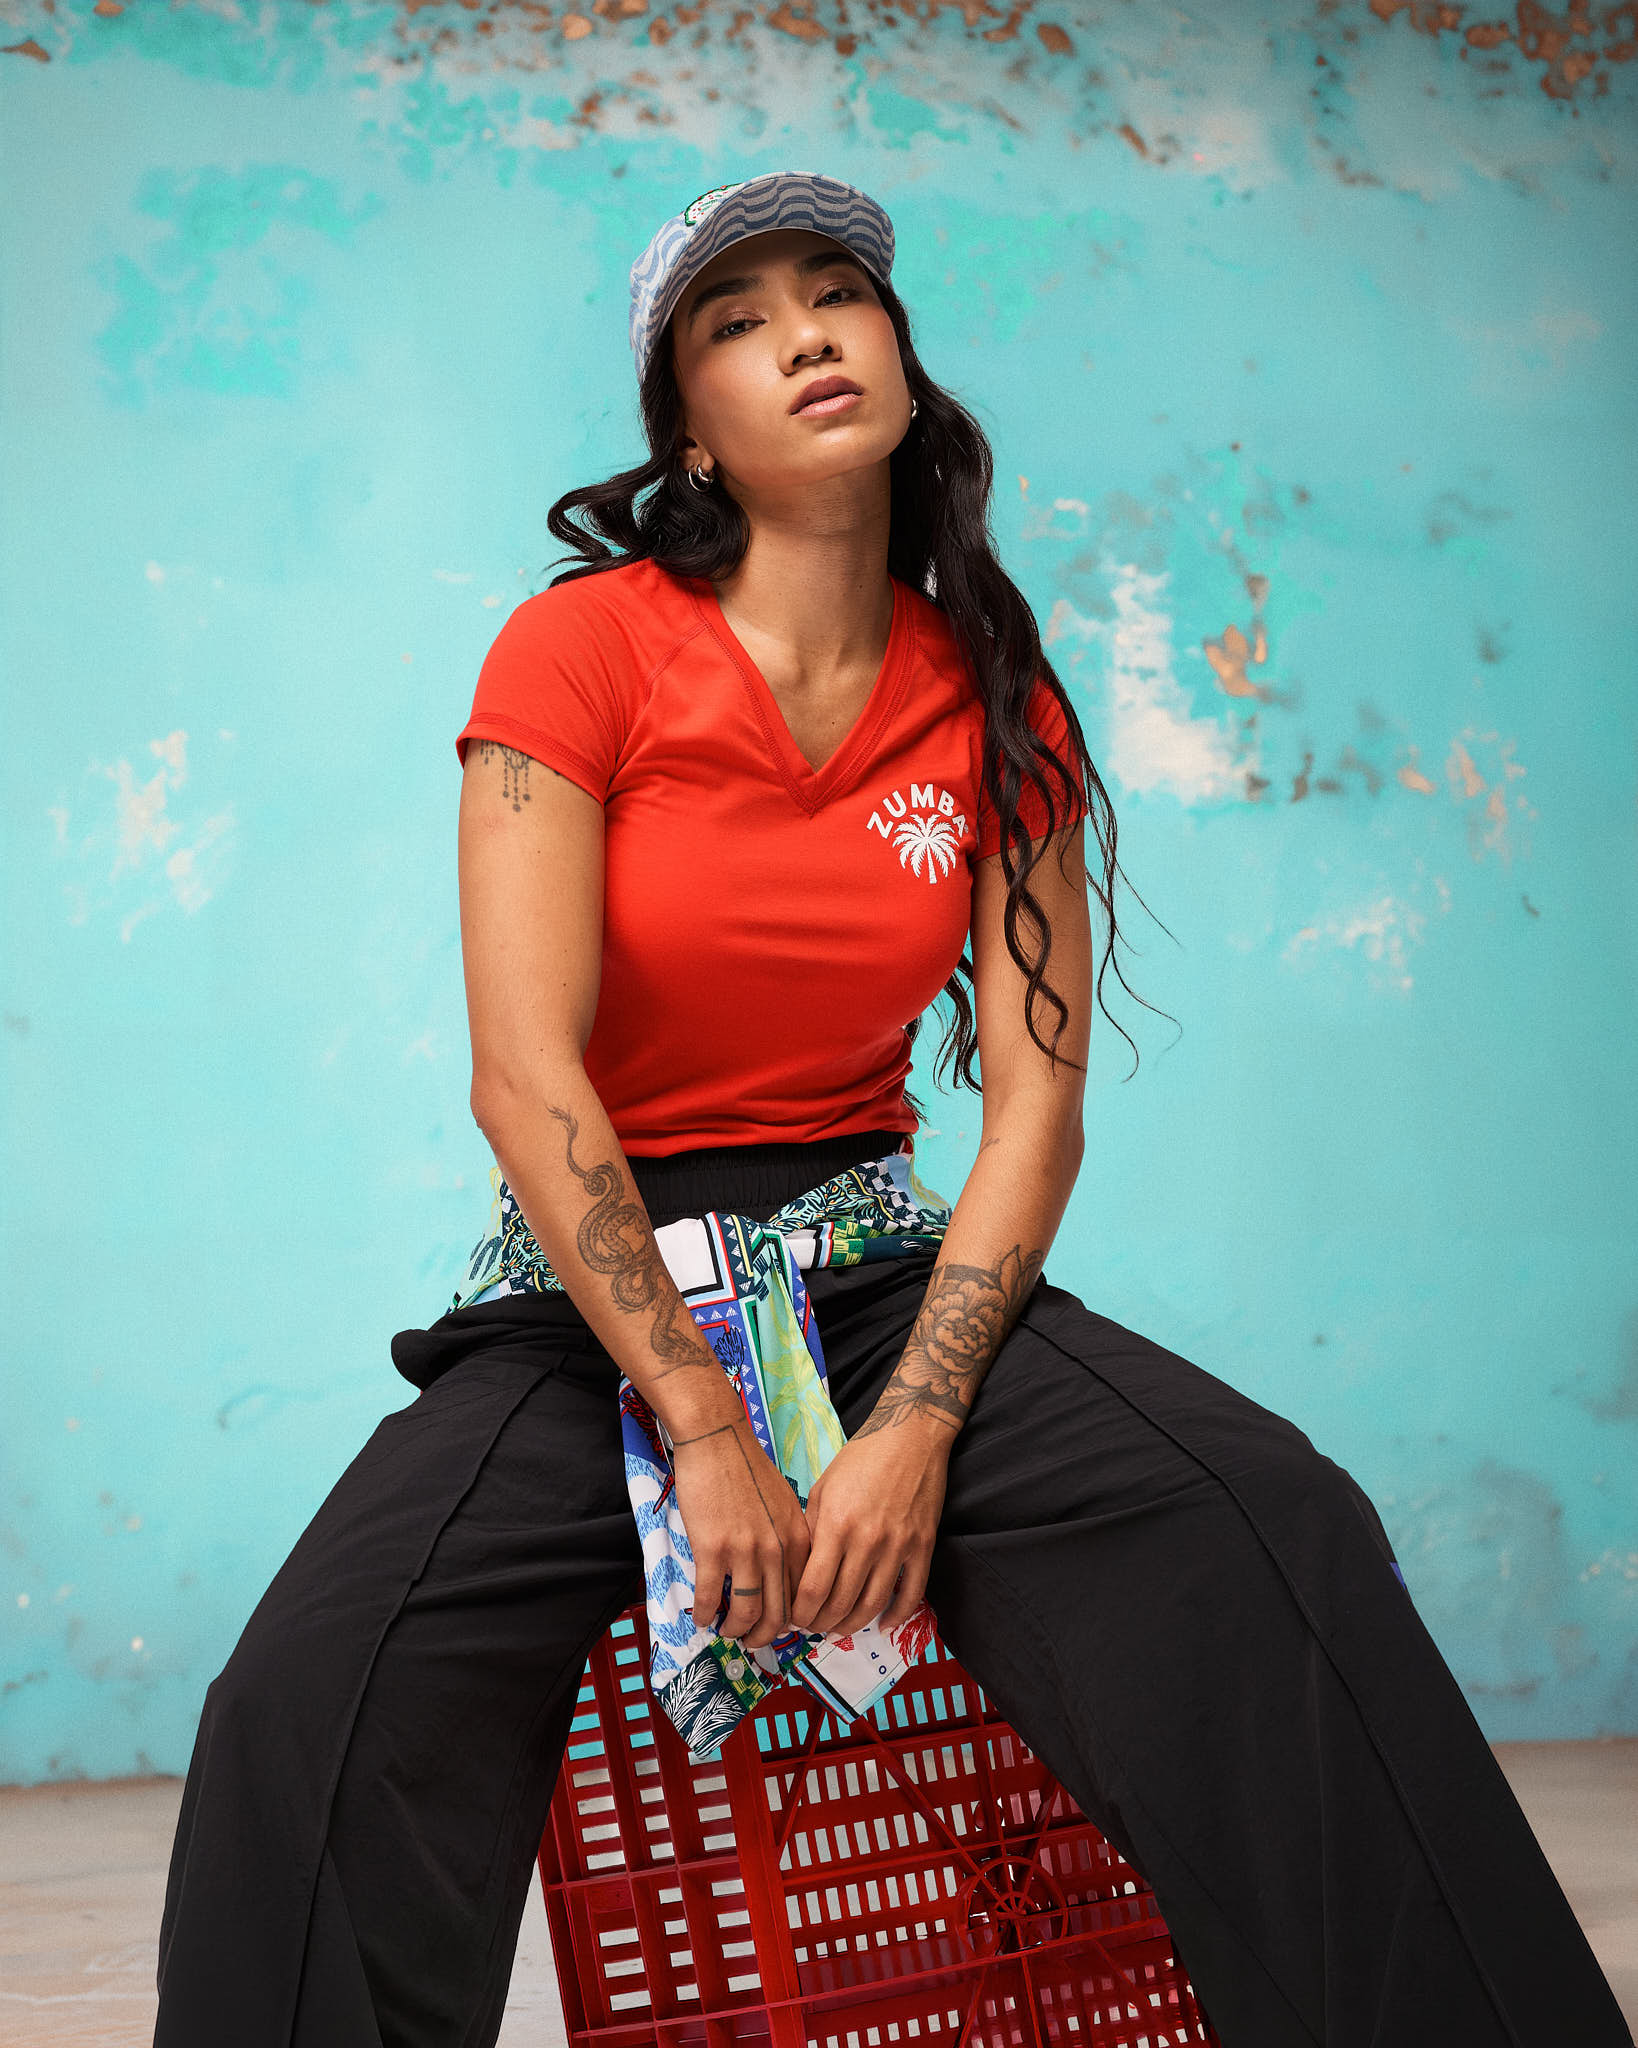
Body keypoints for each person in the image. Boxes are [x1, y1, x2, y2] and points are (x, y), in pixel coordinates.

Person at [152, 172, 1633, 2048]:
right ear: (688, 426)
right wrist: (701, 1422)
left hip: (877, 1268)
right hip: (596, 1301)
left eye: (836, 291)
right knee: (309, 1693)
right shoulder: (583, 649)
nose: (804, 331)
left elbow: (1034, 1111)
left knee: (1269, 1517)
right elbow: (524, 1081)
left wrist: (916, 1423)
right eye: (737, 315)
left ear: (906, 368)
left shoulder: (993, 702)